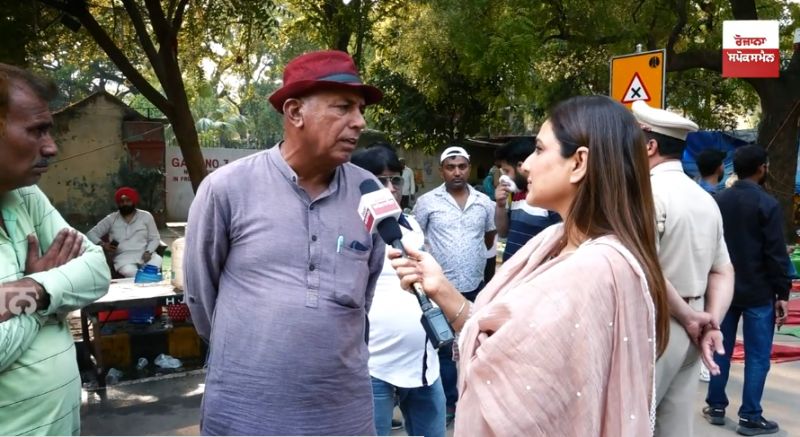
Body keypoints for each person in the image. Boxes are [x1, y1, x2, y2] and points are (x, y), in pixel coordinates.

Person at [390, 95, 673, 436]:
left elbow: (516, 388)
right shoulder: (553, 240)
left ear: (579, 162)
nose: (525, 165)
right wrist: (440, 288)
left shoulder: (594, 269)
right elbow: (497, 340)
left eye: (539, 149)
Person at [184, 50, 385, 435]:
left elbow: (367, 290)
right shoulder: (227, 189)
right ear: (295, 113)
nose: (358, 122)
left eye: (360, 109)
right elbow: (201, 297)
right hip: (246, 412)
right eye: (343, 107)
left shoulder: (368, 190)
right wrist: (257, 348)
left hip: (343, 413)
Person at [0, 63, 110, 435]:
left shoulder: (24, 196)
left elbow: (97, 269)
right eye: (36, 131)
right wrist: (47, 298)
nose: (51, 146)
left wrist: (32, 288)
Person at [631, 100, 734, 437]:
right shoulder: (705, 198)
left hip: (657, 323)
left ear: (650, 146)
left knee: (633, 421)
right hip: (695, 324)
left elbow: (647, 268)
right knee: (675, 424)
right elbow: (723, 270)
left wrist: (691, 320)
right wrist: (709, 320)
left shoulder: (645, 194)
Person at [351, 144, 446, 437]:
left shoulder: (413, 226)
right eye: (379, 181)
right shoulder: (348, 230)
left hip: (425, 364)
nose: (390, 188)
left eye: (395, 179)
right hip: (373, 366)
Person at [704, 145, 790, 436]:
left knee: (720, 349)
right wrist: (783, 294)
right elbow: (777, 254)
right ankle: (750, 416)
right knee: (757, 356)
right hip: (758, 292)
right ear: (762, 168)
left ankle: (716, 406)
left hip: (723, 291)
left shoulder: (718, 201)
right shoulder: (768, 205)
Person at [412, 145, 496, 426]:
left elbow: (489, 237)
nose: (457, 172)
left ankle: (474, 398)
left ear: (468, 168)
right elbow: (417, 238)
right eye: (451, 167)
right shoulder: (426, 203)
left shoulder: (484, 202)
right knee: (446, 348)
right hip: (439, 288)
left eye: (462, 166)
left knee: (477, 345)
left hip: (474, 286)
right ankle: (449, 402)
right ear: (442, 171)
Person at [493, 136, 561, 261]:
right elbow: (503, 233)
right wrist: (500, 205)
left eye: (507, 171)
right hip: (514, 275)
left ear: (521, 167)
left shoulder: (548, 197)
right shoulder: (517, 195)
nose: (504, 178)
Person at [87, 187, 162, 277]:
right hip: (124, 258)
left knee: (156, 263)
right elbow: (90, 234)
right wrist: (103, 244)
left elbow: (155, 238)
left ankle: (147, 281)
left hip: (144, 254)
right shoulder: (111, 219)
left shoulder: (146, 216)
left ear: (133, 201)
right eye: (121, 201)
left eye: (128, 200)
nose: (124, 203)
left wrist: (149, 252)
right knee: (132, 273)